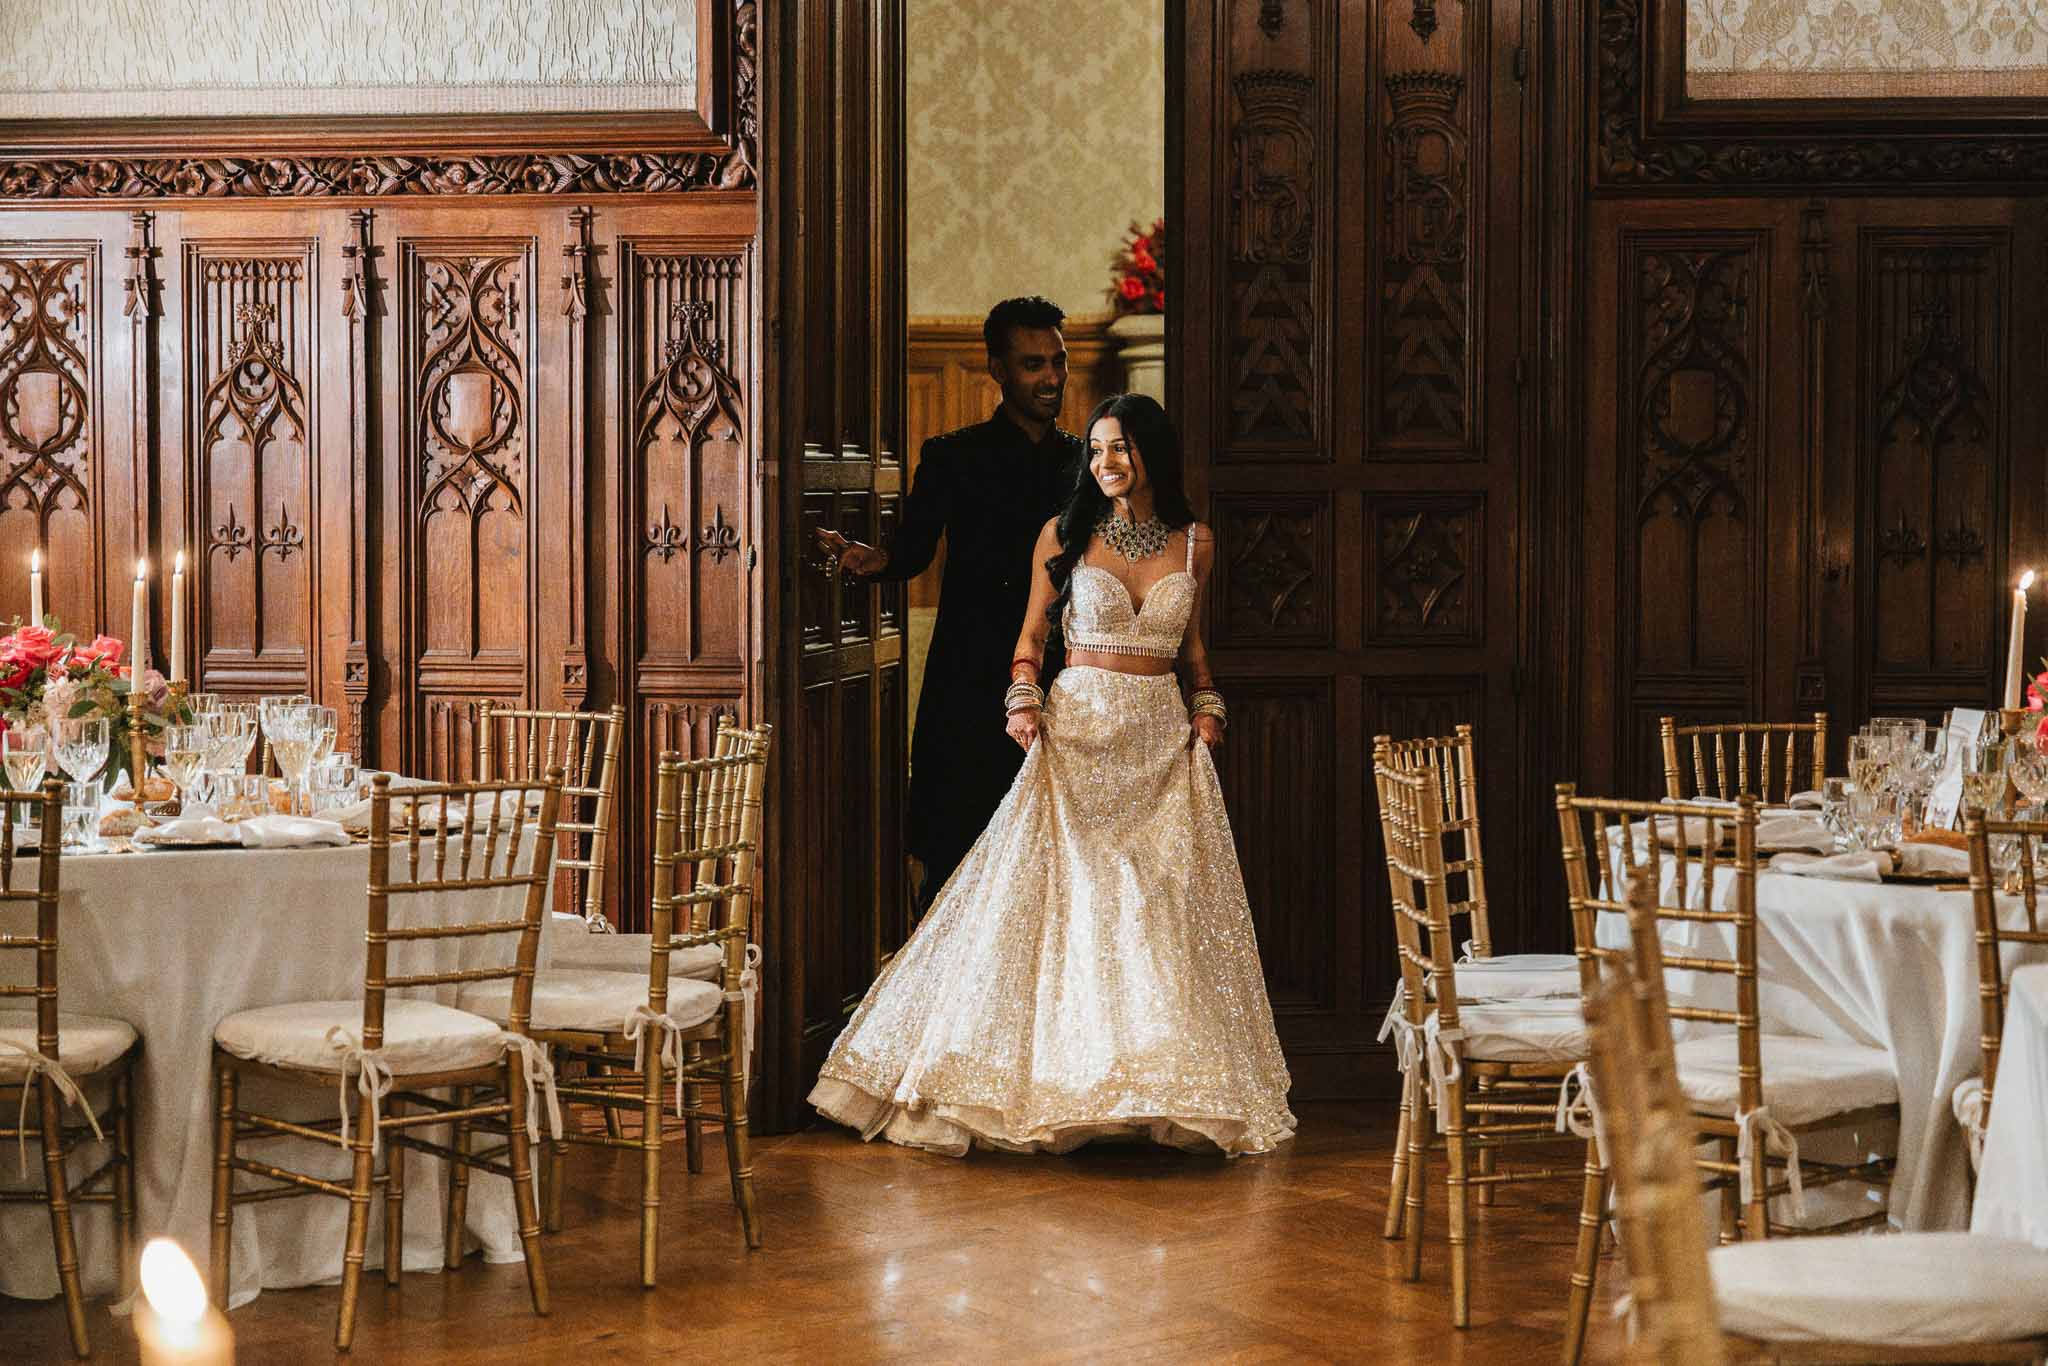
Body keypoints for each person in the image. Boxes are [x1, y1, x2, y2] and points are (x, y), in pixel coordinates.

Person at [809, 393, 1296, 1157]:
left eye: (1122, 449)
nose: (1106, 463)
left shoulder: (1196, 543)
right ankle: (1062, 1087)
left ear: (1153, 454)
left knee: (1152, 914)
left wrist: (1208, 708)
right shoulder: (1063, 535)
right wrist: (1023, 701)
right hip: (1079, 740)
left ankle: (1147, 1088)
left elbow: (1193, 649)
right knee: (1075, 909)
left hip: (1159, 747)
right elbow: (1031, 637)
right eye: (1097, 449)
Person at [816, 296, 1083, 911]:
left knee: (1055, 844)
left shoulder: (1084, 463)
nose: (1050, 378)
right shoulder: (952, 456)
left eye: (1058, 362)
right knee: (958, 840)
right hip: (968, 672)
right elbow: (909, 554)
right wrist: (870, 558)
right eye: (1033, 364)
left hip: (1063, 669)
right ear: (998, 369)